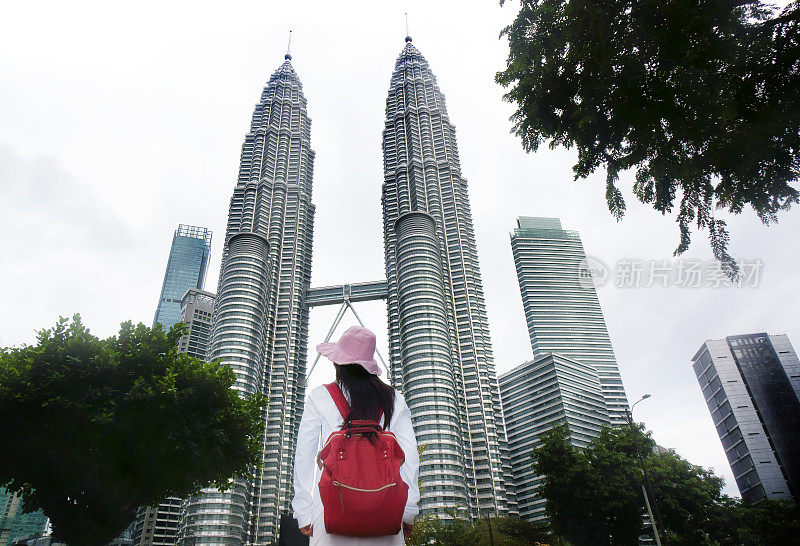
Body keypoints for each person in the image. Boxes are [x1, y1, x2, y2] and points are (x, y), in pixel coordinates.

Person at [292, 325, 420, 545]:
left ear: (337, 362)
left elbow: (304, 455)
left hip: (330, 513)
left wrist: (303, 510)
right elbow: (410, 457)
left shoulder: (320, 396)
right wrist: (408, 511)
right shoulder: (394, 399)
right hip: (387, 513)